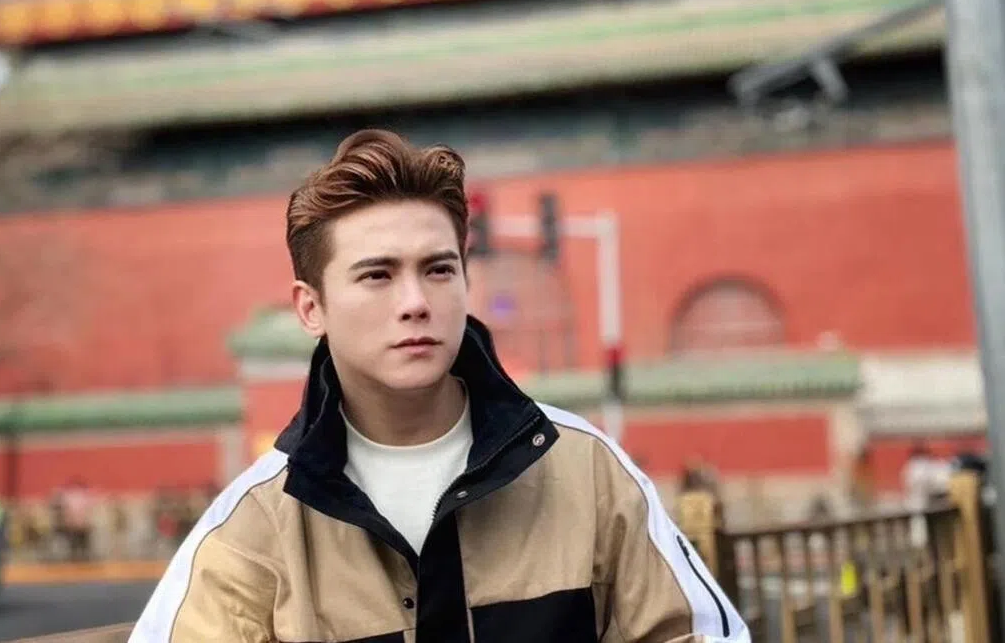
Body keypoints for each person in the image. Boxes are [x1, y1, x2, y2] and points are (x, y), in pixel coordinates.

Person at [130, 130, 749, 642]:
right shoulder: (255, 526)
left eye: (438, 269)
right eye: (377, 275)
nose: (415, 302)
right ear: (311, 308)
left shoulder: (583, 470)